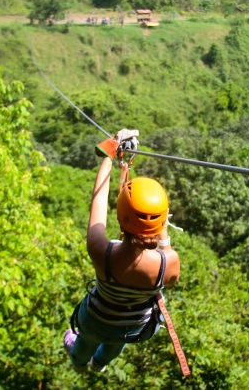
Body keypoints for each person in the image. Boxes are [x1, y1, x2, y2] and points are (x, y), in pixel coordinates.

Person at [63, 152, 181, 373]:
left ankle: (79, 361)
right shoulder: (169, 264)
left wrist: (109, 154)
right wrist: (159, 220)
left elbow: (98, 200)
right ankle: (99, 363)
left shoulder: (102, 252)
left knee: (87, 337)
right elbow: (165, 248)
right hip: (134, 326)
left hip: (95, 319)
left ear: (120, 215)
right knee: (116, 340)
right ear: (164, 219)